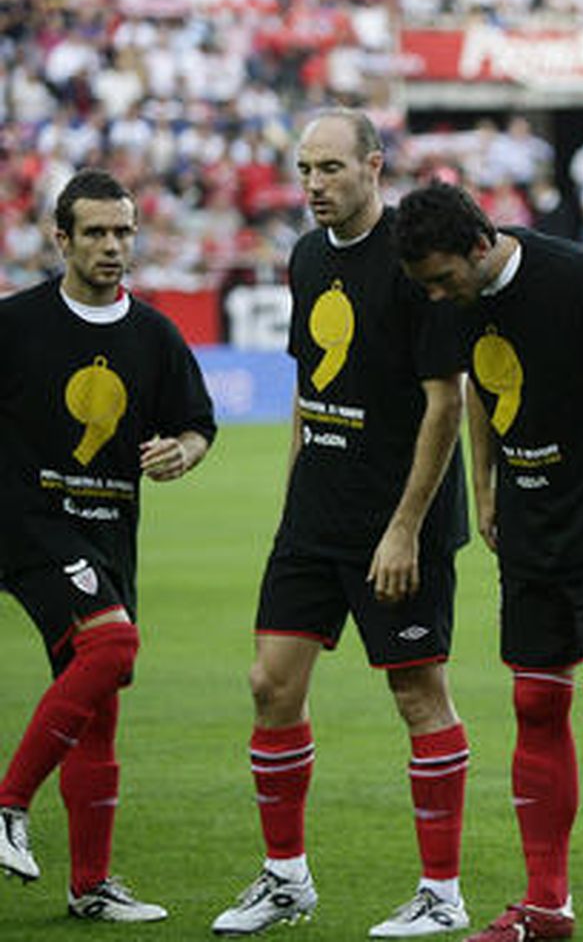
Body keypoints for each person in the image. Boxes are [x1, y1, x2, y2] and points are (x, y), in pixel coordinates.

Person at [395, 181, 583, 942]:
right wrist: (485, 487)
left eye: (441, 277)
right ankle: (547, 904)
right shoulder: (455, 303)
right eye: (424, 284)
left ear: (479, 246)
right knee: (534, 703)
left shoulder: (582, 280)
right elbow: (486, 390)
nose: (435, 294)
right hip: (532, 523)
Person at [210, 110, 473, 939]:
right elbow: (305, 384)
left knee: (416, 693)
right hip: (316, 516)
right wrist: (295, 493)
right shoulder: (306, 255)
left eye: (330, 168)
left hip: (396, 519)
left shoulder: (414, 260)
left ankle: (442, 892)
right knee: (270, 684)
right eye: (304, 170)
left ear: (373, 165)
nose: (315, 185)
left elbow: (445, 404)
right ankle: (285, 878)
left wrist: (403, 528)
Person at [0, 168, 216, 921]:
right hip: (28, 525)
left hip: (108, 530)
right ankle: (7, 805)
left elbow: (197, 423)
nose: (112, 246)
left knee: (98, 703)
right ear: (60, 239)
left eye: (122, 231)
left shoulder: (153, 333)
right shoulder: (16, 323)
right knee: (114, 650)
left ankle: (90, 886)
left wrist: (184, 451)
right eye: (94, 232)